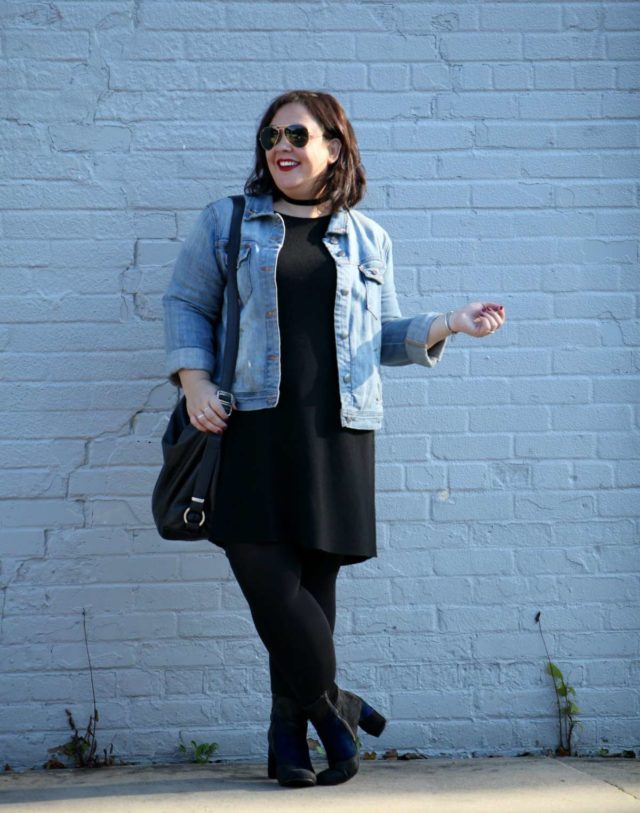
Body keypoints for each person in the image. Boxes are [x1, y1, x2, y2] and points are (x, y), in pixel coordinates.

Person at [162, 89, 506, 789]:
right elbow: (186, 302)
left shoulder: (367, 236)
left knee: (309, 594)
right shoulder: (229, 223)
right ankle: (337, 706)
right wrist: (194, 381)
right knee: (272, 589)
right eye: (269, 137)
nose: (279, 146)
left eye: (295, 133)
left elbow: (380, 337)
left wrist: (448, 322)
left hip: (336, 433)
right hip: (247, 426)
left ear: (334, 148)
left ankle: (289, 738)